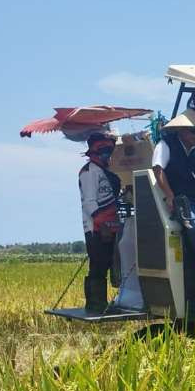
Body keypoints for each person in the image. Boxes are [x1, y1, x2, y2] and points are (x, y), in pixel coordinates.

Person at [78, 132, 121, 312]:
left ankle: (106, 303)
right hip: (96, 228)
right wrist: (101, 225)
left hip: (112, 225)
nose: (107, 155)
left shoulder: (105, 172)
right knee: (98, 266)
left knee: (112, 263)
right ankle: (96, 305)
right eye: (104, 151)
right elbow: (89, 202)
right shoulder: (89, 172)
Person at [151, 108, 195, 214]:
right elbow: (158, 169)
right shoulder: (165, 144)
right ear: (181, 130)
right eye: (193, 132)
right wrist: (169, 195)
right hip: (182, 198)